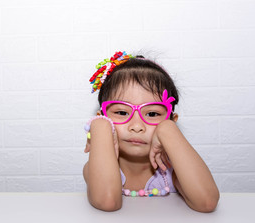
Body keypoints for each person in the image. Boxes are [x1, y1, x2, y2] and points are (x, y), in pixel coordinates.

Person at [83, 51, 219, 212]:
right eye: (121, 112)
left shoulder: (173, 171)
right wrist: (100, 127)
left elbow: (207, 202)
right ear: (103, 116)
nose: (137, 126)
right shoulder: (98, 167)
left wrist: (167, 129)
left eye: (153, 114)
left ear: (171, 119)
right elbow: (107, 201)